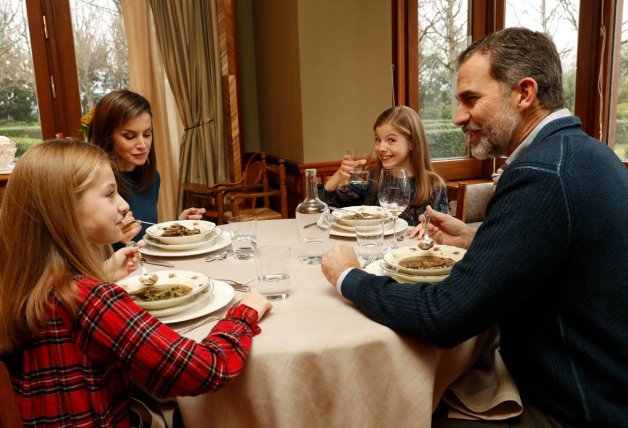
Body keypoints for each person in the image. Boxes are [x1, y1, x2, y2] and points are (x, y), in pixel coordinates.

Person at [321, 27, 628, 427]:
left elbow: (445, 316)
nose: (457, 117)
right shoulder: (587, 152)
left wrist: (349, 276)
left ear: (524, 93)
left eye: (471, 99)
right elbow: (561, 254)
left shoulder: (541, 173)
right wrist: (477, 238)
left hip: (574, 407)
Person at [0, 139, 272, 426]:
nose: (123, 205)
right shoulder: (90, 300)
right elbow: (204, 370)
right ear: (63, 210)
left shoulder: (23, 286)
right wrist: (244, 314)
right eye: (109, 194)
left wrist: (102, 275)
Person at [88, 89, 205, 244]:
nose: (142, 145)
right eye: (130, 136)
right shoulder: (93, 183)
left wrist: (178, 225)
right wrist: (115, 239)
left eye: (147, 134)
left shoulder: (152, 178)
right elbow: (84, 252)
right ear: (107, 137)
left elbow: (144, 235)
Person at [318, 106, 448, 226]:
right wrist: (340, 174)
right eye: (378, 140)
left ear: (412, 143)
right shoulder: (373, 179)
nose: (381, 148)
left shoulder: (433, 186)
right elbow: (327, 209)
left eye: (391, 140)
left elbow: (441, 234)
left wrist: (429, 230)